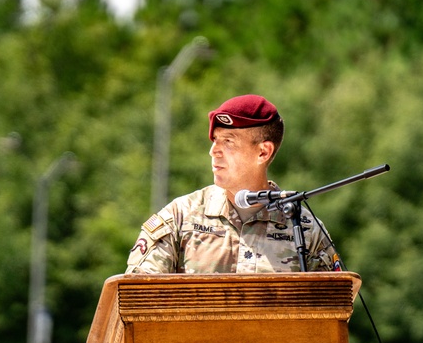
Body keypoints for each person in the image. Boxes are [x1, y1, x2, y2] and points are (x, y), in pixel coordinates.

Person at [125, 94, 342, 273]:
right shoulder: (180, 217)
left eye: (228, 141)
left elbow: (333, 313)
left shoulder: (304, 229)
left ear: (263, 152)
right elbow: (135, 297)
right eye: (214, 140)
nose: (213, 151)